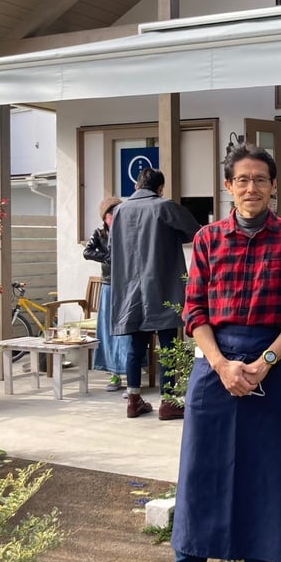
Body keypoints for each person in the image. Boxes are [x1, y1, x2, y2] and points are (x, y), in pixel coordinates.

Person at [137, 144, 281, 562]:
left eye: (260, 179)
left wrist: (266, 361)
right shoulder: (208, 240)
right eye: (243, 179)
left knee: (266, 470)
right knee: (201, 469)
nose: (252, 187)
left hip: (270, 364)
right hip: (213, 363)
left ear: (274, 186)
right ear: (228, 186)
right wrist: (220, 363)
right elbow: (194, 310)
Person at [110, 168, 200, 420]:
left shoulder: (119, 211)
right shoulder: (163, 206)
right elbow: (196, 231)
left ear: (138, 185)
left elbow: (111, 246)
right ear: (160, 187)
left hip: (130, 287)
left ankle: (133, 398)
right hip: (161, 283)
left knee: (135, 345)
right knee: (168, 343)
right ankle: (168, 401)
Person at [83, 196, 127, 391]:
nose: (117, 216)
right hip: (108, 285)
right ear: (106, 217)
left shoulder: (128, 231)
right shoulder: (99, 234)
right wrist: (108, 257)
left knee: (127, 330)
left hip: (127, 286)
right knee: (108, 330)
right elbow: (87, 252)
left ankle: (130, 372)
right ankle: (113, 374)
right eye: (113, 213)